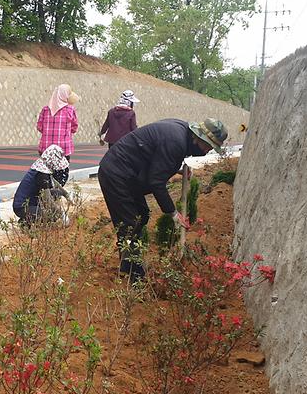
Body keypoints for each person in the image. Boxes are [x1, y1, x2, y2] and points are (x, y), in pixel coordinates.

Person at [97, 118, 228, 281]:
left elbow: (157, 154)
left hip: (129, 173)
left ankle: (126, 264)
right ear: (199, 138)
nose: (208, 151)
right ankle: (135, 275)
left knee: (142, 214)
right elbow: (156, 182)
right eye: (208, 146)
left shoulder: (181, 132)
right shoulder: (176, 141)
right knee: (130, 223)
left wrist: (175, 168)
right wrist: (173, 213)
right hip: (116, 174)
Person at [13, 144, 70, 225]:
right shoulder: (41, 175)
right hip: (22, 207)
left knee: (56, 193)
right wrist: (62, 214)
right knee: (52, 215)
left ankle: (31, 217)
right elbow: (48, 200)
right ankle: (25, 222)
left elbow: (56, 184)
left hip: (31, 203)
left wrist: (66, 195)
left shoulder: (44, 169)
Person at [37, 84, 79, 161]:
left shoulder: (45, 109)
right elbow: (74, 127)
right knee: (62, 171)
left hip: (46, 147)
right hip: (63, 148)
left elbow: (39, 127)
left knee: (46, 170)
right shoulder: (70, 110)